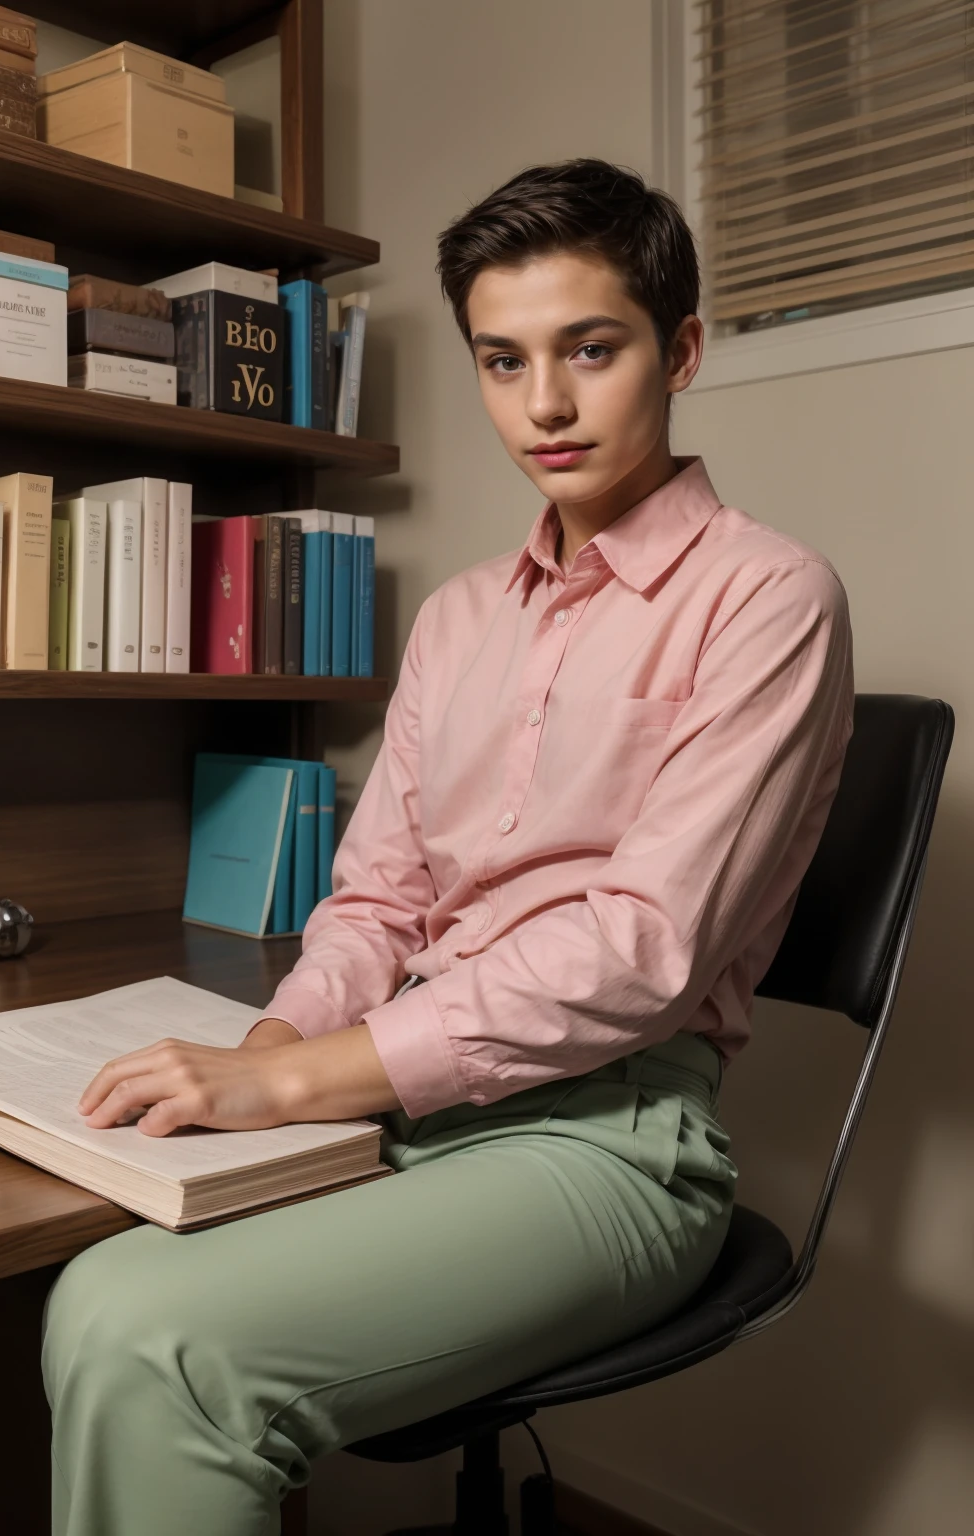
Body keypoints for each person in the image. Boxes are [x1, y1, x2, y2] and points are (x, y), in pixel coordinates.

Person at [43, 158, 854, 1536]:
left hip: (613, 1138)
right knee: (84, 1289)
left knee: (149, 1342)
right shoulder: (463, 617)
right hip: (407, 1099)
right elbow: (377, 900)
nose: (543, 403)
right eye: (502, 360)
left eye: (590, 350)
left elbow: (638, 957)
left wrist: (308, 1082)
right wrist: (270, 1050)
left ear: (684, 349)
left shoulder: (768, 598)